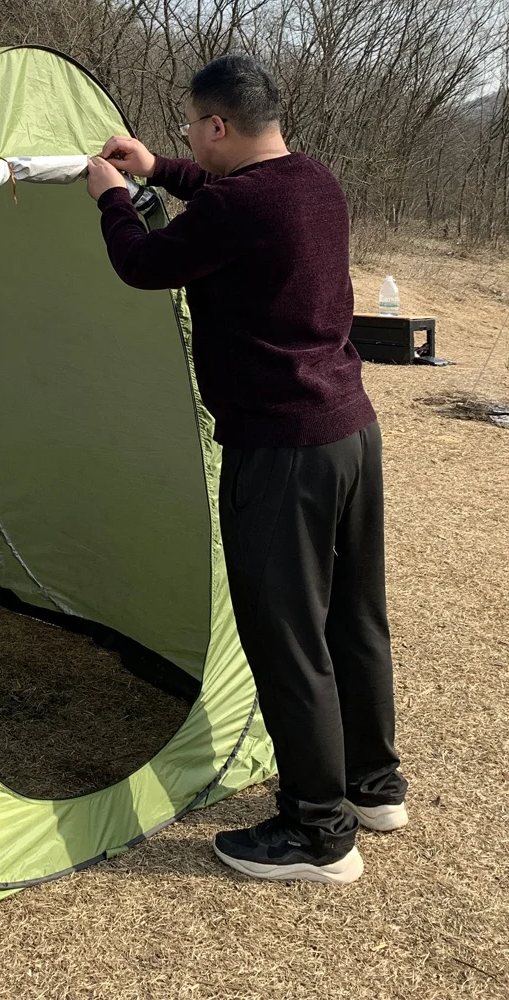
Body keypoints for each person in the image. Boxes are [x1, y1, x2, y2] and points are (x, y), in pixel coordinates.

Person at [85, 53, 408, 884]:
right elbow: (221, 196)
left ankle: (318, 834)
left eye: (192, 126)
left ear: (219, 125)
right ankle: (374, 787)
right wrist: (161, 169)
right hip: (351, 436)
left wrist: (113, 198)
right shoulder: (313, 182)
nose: (189, 137)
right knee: (354, 621)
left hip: (283, 452)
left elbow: (144, 265)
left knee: (287, 637)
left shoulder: (237, 205)